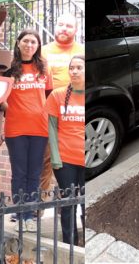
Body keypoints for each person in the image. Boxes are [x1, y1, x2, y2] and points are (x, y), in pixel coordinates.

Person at [4, 29, 52, 232]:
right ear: (18, 43)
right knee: (19, 173)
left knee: (34, 173)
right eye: (26, 41)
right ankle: (20, 213)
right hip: (15, 128)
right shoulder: (8, 69)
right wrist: (12, 111)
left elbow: (49, 96)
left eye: (33, 42)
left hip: (39, 128)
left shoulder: (43, 68)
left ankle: (30, 215)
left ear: (38, 46)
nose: (29, 45)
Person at [39, 13, 84, 204]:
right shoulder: (43, 52)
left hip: (73, 114)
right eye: (60, 24)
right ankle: (38, 207)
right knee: (46, 161)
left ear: (76, 30)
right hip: (50, 113)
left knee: (71, 161)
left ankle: (64, 204)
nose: (64, 28)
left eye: (69, 26)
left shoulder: (82, 51)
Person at [46, 55, 85, 245]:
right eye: (72, 68)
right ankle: (71, 245)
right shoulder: (57, 95)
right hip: (65, 160)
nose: (75, 71)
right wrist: (55, 158)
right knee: (68, 204)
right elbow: (51, 128)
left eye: (79, 68)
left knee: (86, 203)